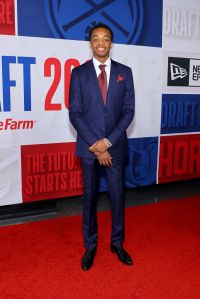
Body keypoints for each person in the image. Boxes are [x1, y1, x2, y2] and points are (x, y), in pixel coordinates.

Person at [69, 23, 135, 271]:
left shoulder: (125, 73)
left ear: (110, 43)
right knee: (90, 199)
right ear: (90, 43)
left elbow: (128, 112)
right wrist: (97, 146)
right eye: (96, 38)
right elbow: (75, 114)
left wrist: (107, 142)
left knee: (118, 197)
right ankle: (90, 246)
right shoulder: (79, 73)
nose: (100, 42)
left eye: (105, 39)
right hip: (88, 149)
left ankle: (117, 243)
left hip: (115, 147)